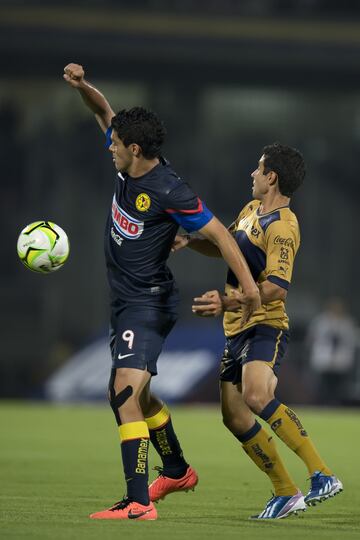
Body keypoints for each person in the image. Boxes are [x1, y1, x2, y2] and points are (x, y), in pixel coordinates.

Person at [63, 63, 261, 521]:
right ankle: (175, 469)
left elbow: (224, 236)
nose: (109, 147)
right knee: (144, 398)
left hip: (146, 301)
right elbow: (103, 111)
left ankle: (138, 502)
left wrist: (249, 290)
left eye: (115, 144)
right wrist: (82, 87)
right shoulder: (127, 158)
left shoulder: (170, 189)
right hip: (125, 300)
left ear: (134, 149)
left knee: (122, 394)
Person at [173, 143, 343, 519]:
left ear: (272, 177)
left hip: (265, 325)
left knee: (255, 394)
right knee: (234, 417)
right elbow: (227, 249)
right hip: (235, 329)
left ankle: (322, 473)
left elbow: (277, 288)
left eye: (258, 168)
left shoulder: (283, 227)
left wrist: (226, 301)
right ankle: (285, 490)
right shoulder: (251, 211)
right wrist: (191, 242)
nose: (252, 173)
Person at [307, 297, 358, 405]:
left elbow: (351, 342)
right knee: (322, 386)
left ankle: (336, 405)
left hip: (341, 361)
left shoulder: (347, 323)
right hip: (323, 359)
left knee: (339, 387)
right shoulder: (321, 322)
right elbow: (312, 338)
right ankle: (321, 405)